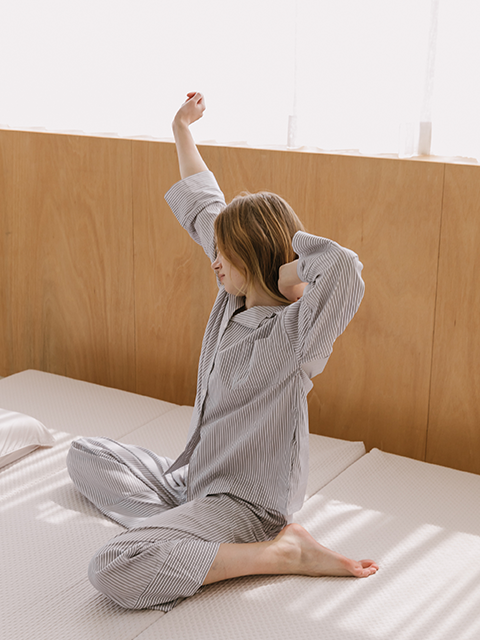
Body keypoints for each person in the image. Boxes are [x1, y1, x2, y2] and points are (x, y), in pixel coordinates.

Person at [66, 92, 378, 612]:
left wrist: (286, 270)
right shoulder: (232, 292)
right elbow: (203, 201)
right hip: (198, 482)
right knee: (85, 454)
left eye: (227, 253)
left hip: (246, 506)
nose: (214, 259)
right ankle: (184, 534)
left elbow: (344, 269)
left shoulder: (294, 334)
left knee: (114, 567)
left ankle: (279, 552)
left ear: (254, 258)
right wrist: (181, 130)